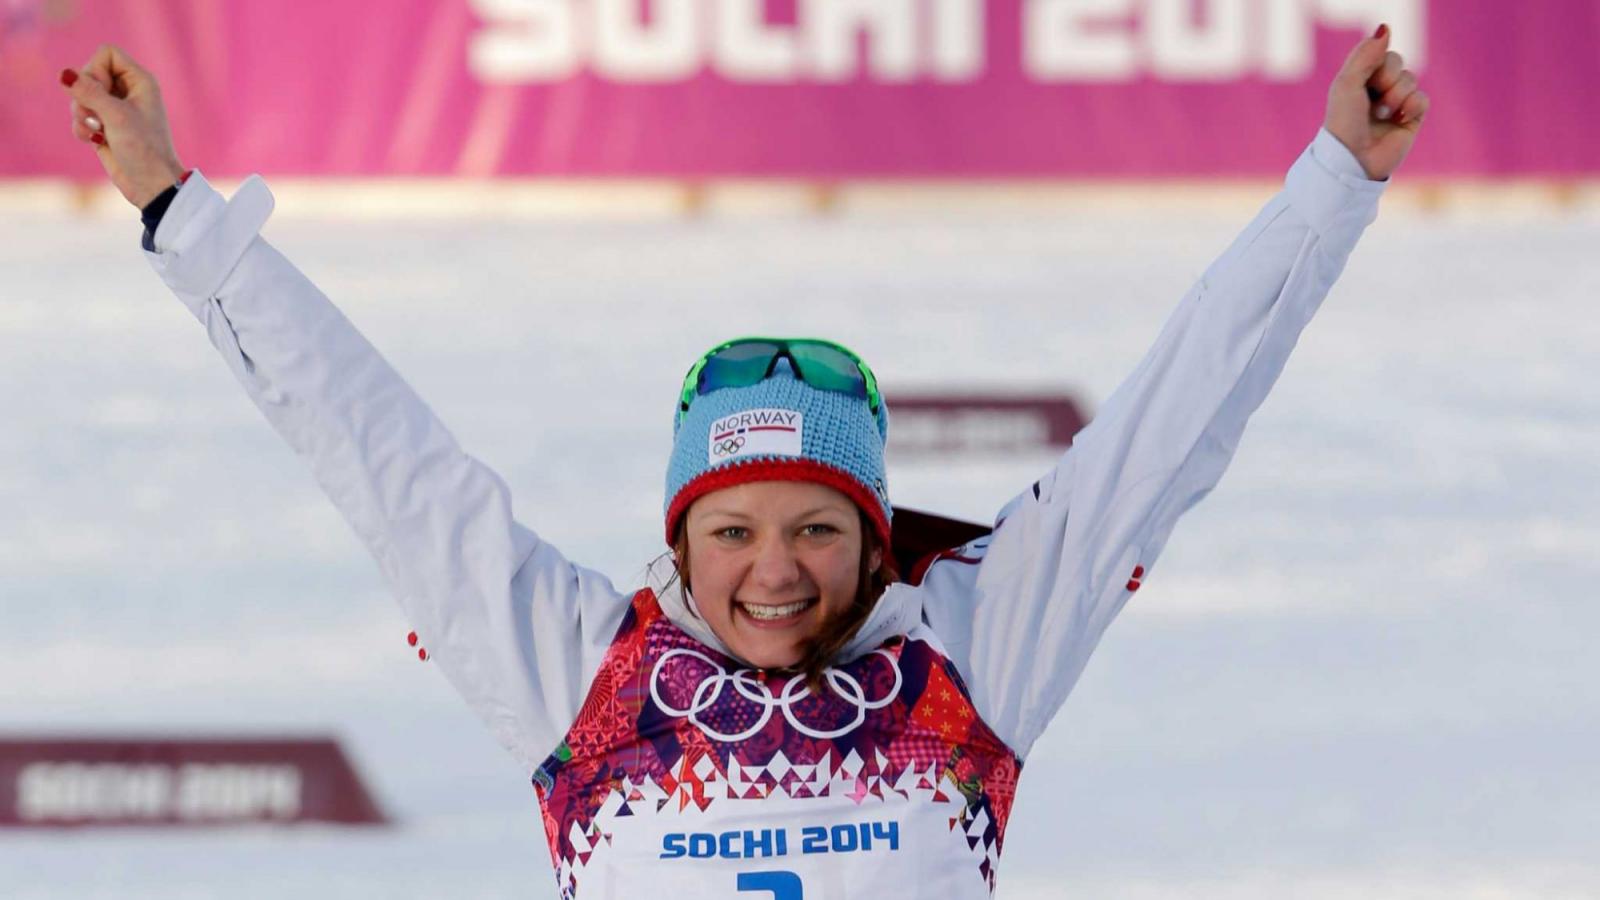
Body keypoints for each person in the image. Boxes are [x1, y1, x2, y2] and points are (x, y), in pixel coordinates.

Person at [60, 26, 1428, 898]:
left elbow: (1171, 426)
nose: (775, 572)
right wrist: (178, 209)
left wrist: (1334, 181)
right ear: (680, 540)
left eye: (817, 528)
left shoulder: (973, 650)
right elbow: (378, 451)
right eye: (732, 532)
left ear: (876, 537)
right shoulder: (576, 671)